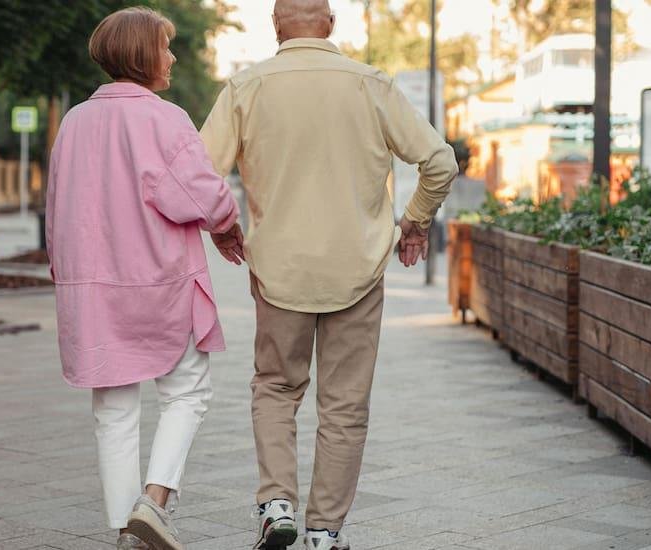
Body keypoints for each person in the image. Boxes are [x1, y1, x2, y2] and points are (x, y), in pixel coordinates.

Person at [199, 0, 458, 548]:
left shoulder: (247, 87)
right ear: (331, 25)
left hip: (279, 271)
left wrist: (224, 226)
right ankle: (324, 533)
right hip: (357, 271)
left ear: (275, 27)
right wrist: (413, 223)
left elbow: (200, 174)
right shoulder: (371, 84)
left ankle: (276, 504)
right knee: (344, 406)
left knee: (275, 388)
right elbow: (439, 161)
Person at [45, 7, 246, 550]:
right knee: (187, 389)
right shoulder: (165, 119)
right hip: (158, 283)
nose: (172, 57)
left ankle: (125, 531)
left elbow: (56, 208)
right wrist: (225, 227)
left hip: (92, 289)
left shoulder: (73, 122)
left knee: (112, 406)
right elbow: (200, 193)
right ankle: (152, 504)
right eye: (165, 46)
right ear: (142, 55)